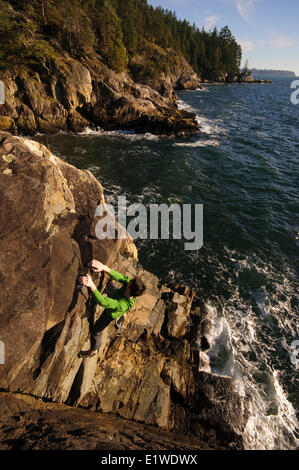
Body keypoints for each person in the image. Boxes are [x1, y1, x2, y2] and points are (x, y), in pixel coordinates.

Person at [78, 260, 146, 357]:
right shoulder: (129, 286)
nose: (129, 280)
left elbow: (103, 302)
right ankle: (122, 313)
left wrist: (91, 284)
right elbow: (119, 276)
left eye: (130, 283)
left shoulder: (123, 304)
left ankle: (92, 351)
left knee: (96, 332)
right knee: (110, 284)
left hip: (109, 314)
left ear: (130, 289)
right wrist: (103, 267)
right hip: (116, 295)